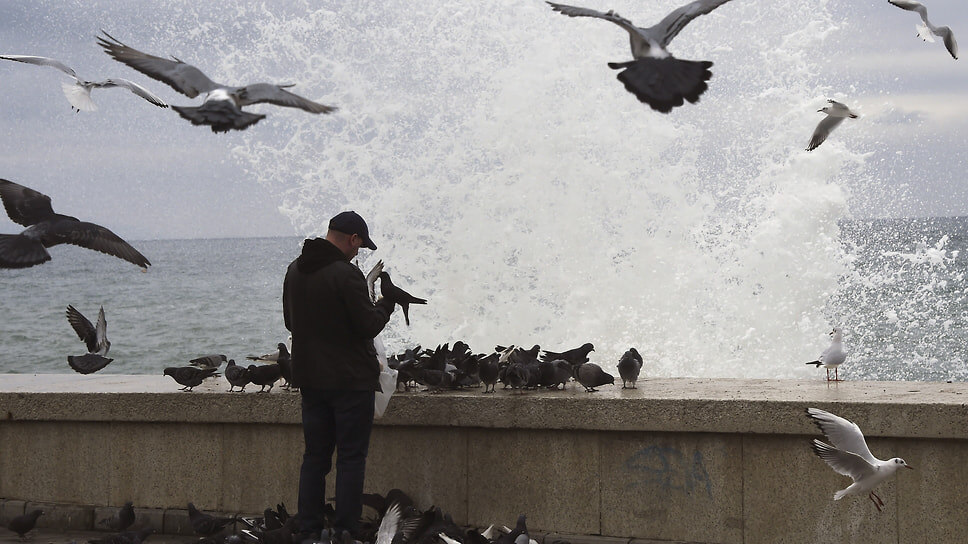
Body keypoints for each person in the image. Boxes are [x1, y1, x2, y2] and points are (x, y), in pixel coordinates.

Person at [282, 210, 396, 537]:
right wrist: (386, 304)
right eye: (359, 246)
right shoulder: (345, 274)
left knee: (315, 459)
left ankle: (309, 532)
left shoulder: (294, 270)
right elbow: (368, 325)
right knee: (350, 459)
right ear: (353, 239)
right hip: (350, 382)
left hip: (310, 381)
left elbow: (291, 322)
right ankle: (345, 532)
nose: (358, 253)